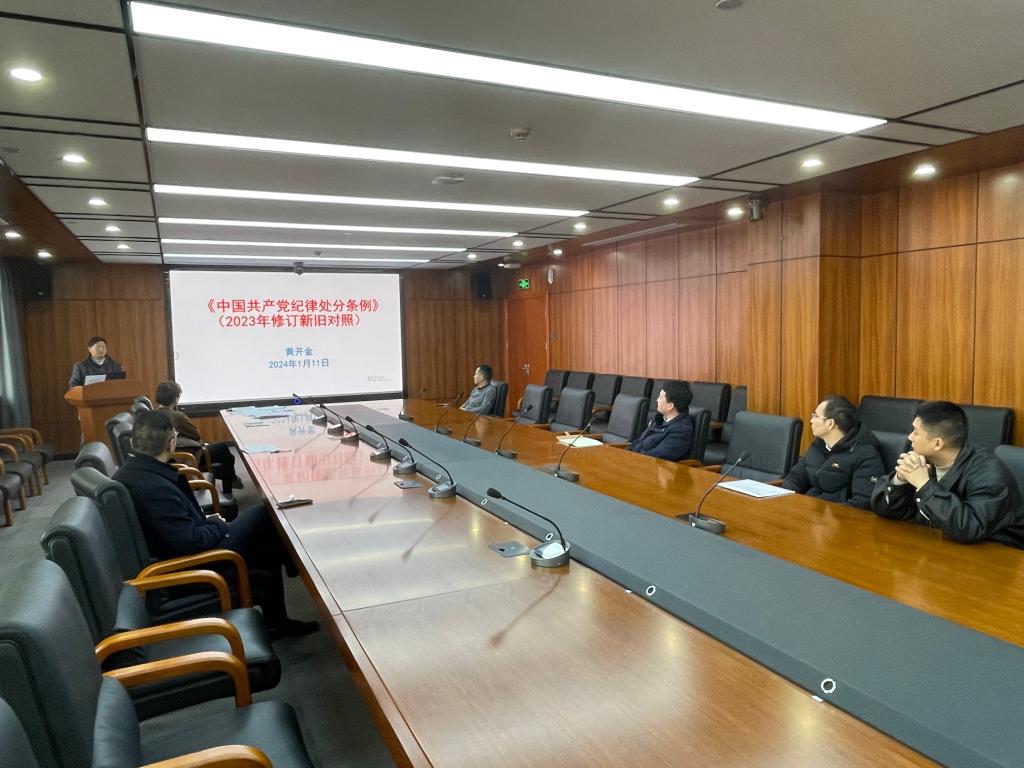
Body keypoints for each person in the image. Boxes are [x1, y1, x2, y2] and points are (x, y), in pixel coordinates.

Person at [114, 410, 318, 638]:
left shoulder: (133, 474)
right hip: (193, 565)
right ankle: (295, 573)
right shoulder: (154, 488)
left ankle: (279, 616)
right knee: (263, 515)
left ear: (133, 442)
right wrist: (216, 524)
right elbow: (190, 543)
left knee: (264, 540)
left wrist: (209, 523)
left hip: (180, 552)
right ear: (171, 443)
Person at [870, 401, 1024, 547]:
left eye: (916, 432)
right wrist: (899, 480)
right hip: (939, 546)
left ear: (937, 443)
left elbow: (968, 528)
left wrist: (924, 485)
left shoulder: (989, 474)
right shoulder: (923, 459)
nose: (910, 437)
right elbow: (884, 510)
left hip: (996, 554)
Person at [783, 395, 885, 509]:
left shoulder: (866, 455)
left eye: (815, 416)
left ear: (830, 423)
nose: (811, 420)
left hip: (838, 516)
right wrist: (786, 503)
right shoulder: (818, 445)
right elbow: (795, 479)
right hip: (811, 510)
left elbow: (862, 504)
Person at [155, 380, 242, 498]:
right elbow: (196, 435)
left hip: (172, 458)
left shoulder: (153, 415)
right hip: (187, 457)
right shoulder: (176, 416)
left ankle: (231, 482)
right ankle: (228, 491)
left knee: (225, 454)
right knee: (224, 450)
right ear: (176, 399)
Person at [629, 380, 694, 461]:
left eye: (660, 397)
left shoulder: (681, 431)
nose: (657, 400)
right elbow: (639, 441)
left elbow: (657, 457)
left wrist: (633, 456)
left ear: (670, 406)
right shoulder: (659, 419)